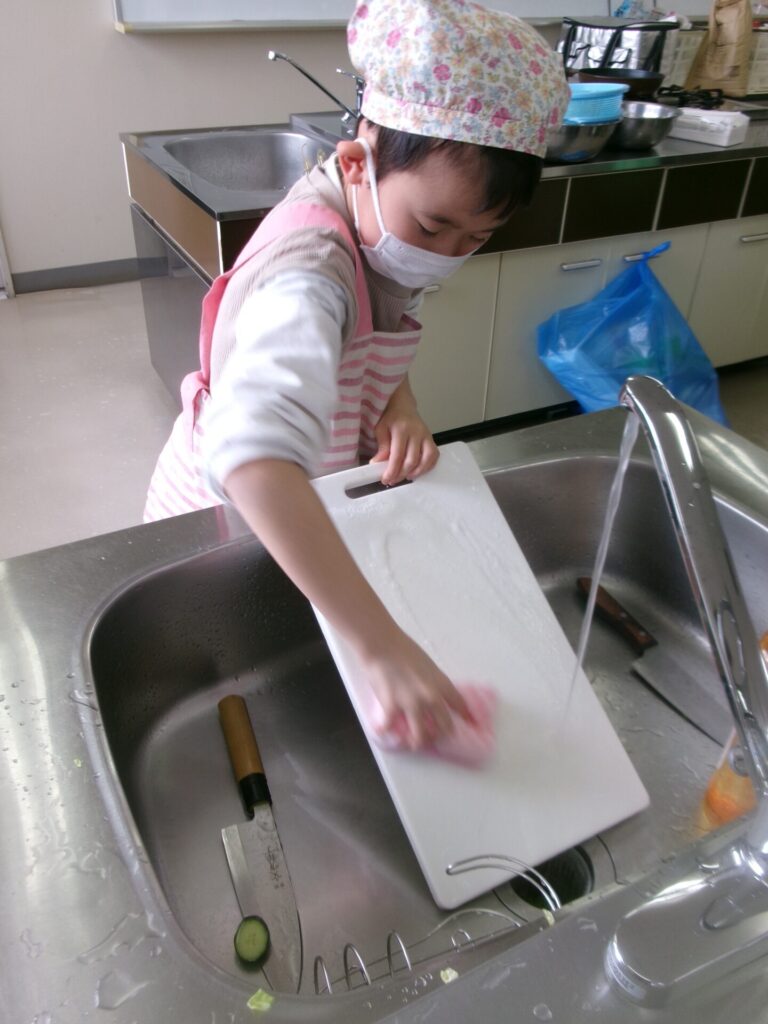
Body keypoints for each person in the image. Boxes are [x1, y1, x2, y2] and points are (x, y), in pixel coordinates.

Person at [144, 0, 569, 749]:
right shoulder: (308, 276)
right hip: (230, 526)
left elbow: (369, 321)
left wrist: (396, 403)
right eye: (433, 227)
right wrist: (381, 648)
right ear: (355, 165)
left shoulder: (369, 221)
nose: (444, 256)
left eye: (476, 238)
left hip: (304, 504)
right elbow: (252, 456)